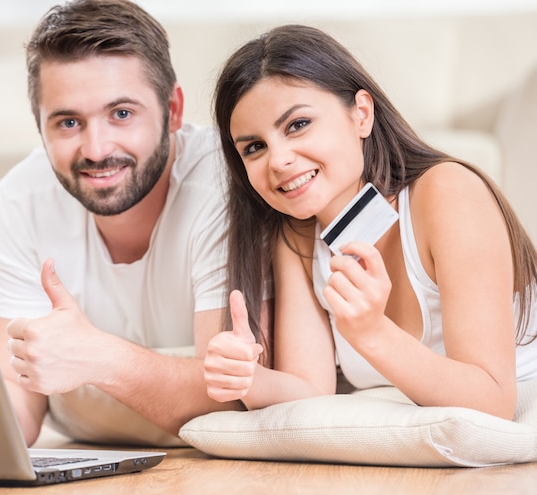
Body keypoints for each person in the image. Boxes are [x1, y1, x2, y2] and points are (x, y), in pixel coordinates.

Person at [203, 24, 537, 419]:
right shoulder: (296, 234)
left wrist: (374, 333)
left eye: (297, 125)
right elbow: (310, 389)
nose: (278, 161)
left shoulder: (448, 192)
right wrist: (247, 379)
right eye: (254, 147)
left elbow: (494, 402)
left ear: (361, 114)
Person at [0, 0, 236, 448]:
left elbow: (231, 395)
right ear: (39, 126)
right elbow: (12, 389)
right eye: (68, 122)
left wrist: (98, 358)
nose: (96, 149)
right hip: (88, 463)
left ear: (173, 110)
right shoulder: (22, 197)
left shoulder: (224, 181)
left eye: (121, 113)